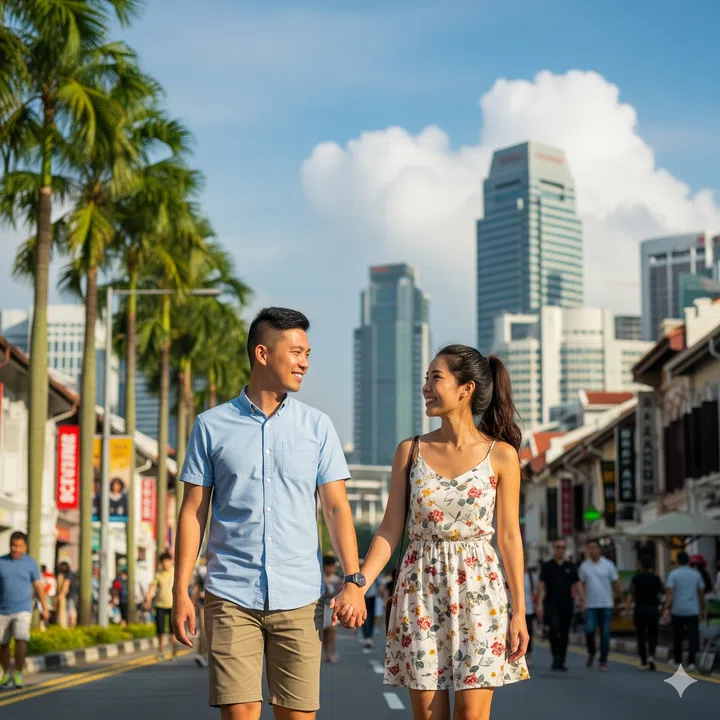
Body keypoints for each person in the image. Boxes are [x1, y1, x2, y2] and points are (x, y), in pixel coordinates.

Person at [172, 307, 363, 719]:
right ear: (262, 353)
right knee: (239, 713)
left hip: (300, 597)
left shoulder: (318, 427)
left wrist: (354, 580)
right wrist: (180, 590)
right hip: (230, 595)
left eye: (308, 354)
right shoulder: (211, 426)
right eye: (296, 352)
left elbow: (335, 507)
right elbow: (193, 513)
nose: (305, 364)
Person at [355, 346, 529, 720]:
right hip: (420, 590)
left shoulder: (501, 455)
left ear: (465, 389)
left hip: (480, 590)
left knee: (472, 715)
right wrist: (359, 583)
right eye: (425, 379)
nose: (426, 388)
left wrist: (520, 613)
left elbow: (510, 537)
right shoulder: (410, 451)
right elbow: (390, 529)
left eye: (436, 378)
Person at [0, 531, 49, 689]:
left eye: (20, 546)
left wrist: (45, 607)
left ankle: (18, 673)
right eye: (14, 546)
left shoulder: (30, 564)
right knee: (2, 644)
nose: (16, 549)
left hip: (22, 609)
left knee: (21, 641)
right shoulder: (2, 562)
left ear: (25, 547)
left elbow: (39, 587)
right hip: (2, 610)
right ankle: (6, 672)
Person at [536, 537, 583, 672]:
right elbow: (541, 586)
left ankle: (561, 660)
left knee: (564, 632)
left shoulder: (571, 566)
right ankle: (555, 657)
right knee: (554, 629)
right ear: (553, 549)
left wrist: (582, 600)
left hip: (567, 604)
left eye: (563, 547)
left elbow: (578, 584)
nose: (560, 550)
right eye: (558, 547)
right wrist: (539, 604)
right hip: (551, 603)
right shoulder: (547, 566)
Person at [579, 540, 621, 671]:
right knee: (589, 629)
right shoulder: (584, 566)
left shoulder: (608, 565)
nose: (591, 550)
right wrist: (581, 601)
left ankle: (603, 660)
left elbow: (615, 582)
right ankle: (591, 651)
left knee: (605, 633)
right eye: (589, 548)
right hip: (590, 605)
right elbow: (580, 584)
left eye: (593, 548)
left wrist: (620, 599)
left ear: (599, 549)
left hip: (606, 604)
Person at [663, 551, 705, 670]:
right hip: (693, 609)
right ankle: (692, 662)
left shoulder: (673, 574)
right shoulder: (696, 574)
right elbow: (701, 592)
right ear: (688, 561)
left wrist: (666, 608)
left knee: (677, 636)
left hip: (678, 609)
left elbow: (670, 592)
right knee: (693, 636)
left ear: (677, 561)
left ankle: (677, 660)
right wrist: (702, 608)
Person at [626, 554, 663, 671]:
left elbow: (630, 594)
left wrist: (627, 608)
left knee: (641, 636)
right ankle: (651, 655)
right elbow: (661, 593)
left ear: (640, 565)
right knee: (653, 634)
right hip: (653, 610)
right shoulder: (656, 578)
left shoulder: (636, 578)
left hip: (640, 610)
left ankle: (643, 660)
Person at [145, 552, 177, 660]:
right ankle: (161, 651)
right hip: (160, 605)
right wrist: (148, 599)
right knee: (160, 630)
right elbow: (153, 587)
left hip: (173, 605)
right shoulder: (158, 574)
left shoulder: (175, 572)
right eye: (163, 562)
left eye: (167, 562)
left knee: (173, 630)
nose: (165, 564)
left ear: (170, 561)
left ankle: (174, 652)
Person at [322, 556, 342, 663]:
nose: (331, 569)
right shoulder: (320, 578)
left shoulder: (337, 580)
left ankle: (331, 652)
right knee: (323, 632)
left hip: (333, 608)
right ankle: (325, 653)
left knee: (332, 632)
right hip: (321, 608)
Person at [524, 568, 535, 669]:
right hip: (515, 610)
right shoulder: (510, 572)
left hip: (529, 610)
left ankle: (528, 655)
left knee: (529, 633)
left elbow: (535, 592)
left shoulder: (531, 577)